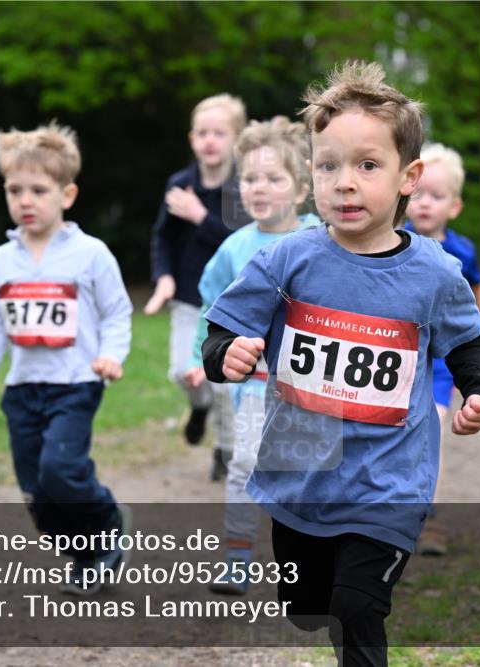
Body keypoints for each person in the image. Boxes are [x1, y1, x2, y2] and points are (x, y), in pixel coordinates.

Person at [202, 61, 480, 667]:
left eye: (367, 165)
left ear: (408, 176)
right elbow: (226, 322)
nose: (344, 182)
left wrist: (477, 390)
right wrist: (222, 355)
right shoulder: (290, 258)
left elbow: (468, 343)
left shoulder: (436, 272)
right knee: (309, 606)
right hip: (302, 473)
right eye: (328, 165)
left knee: (358, 606)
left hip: (390, 482)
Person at [0, 122, 132, 595]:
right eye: (14, 190)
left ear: (67, 194)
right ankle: (88, 556)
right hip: (22, 391)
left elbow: (117, 313)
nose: (25, 200)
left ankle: (106, 522)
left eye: (38, 190)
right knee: (38, 497)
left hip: (75, 383)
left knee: (61, 471)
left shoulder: (91, 253)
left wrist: (110, 356)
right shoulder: (2, 260)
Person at [182, 116, 319, 595]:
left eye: (273, 179)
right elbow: (212, 306)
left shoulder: (323, 241)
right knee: (244, 464)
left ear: (302, 186)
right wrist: (207, 356)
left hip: (315, 388)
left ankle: (315, 556)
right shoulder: (233, 248)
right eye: (250, 179)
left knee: (309, 473)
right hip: (257, 386)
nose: (258, 188)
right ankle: (237, 558)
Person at [144, 94, 252, 480]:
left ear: (236, 140)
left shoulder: (243, 189)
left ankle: (224, 450)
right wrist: (164, 278)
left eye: (219, 133)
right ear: (192, 139)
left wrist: (201, 216)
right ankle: (199, 404)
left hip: (231, 303)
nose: (210, 140)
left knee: (225, 383)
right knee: (180, 371)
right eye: (203, 133)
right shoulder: (179, 185)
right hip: (189, 298)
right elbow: (163, 238)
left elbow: (242, 240)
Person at [402, 142, 480, 556]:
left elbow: (476, 293)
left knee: (432, 428)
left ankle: (428, 516)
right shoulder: (391, 241)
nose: (424, 204)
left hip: (443, 360)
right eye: (418, 194)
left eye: (436, 197)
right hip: (398, 355)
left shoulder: (462, 251)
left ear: (454, 206)